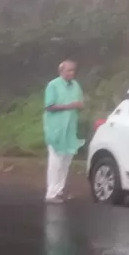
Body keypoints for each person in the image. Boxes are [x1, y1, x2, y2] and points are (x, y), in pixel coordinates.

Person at [43, 59, 85, 202]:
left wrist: (79, 105)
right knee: (55, 161)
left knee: (66, 162)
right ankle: (51, 193)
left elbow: (80, 103)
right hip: (56, 128)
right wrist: (69, 106)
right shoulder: (53, 85)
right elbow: (49, 106)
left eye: (73, 70)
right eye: (69, 70)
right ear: (61, 71)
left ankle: (59, 190)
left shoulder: (75, 85)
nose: (72, 73)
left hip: (70, 128)